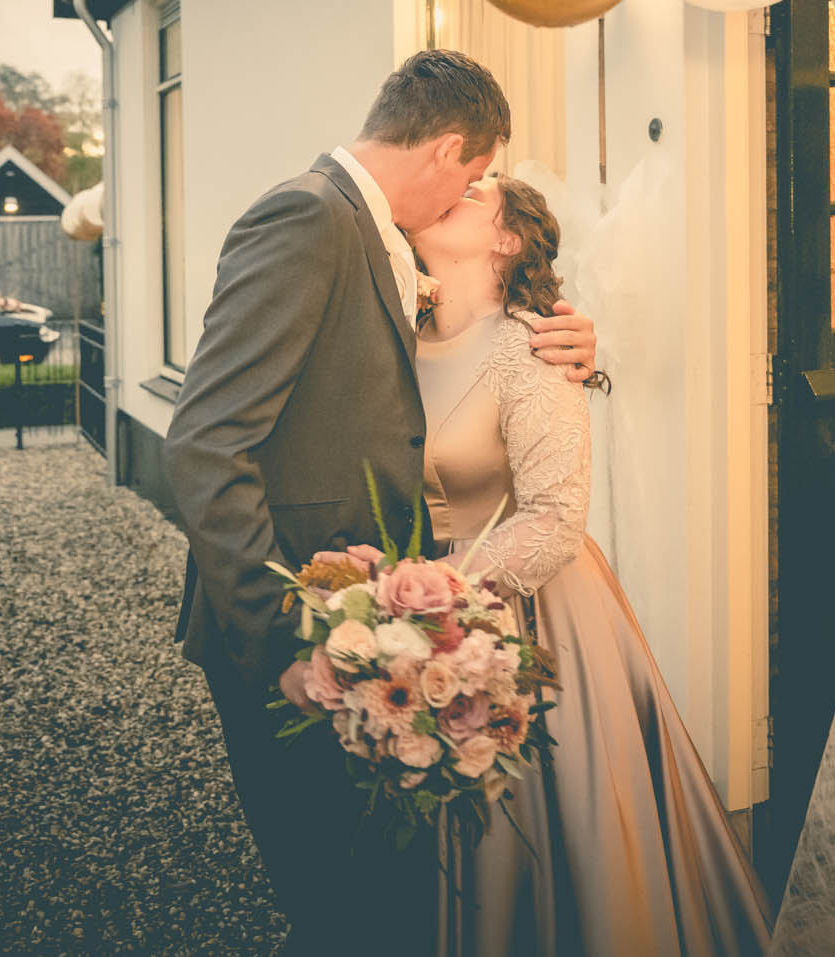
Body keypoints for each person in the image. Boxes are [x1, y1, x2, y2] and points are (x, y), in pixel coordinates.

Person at [162, 50, 597, 952]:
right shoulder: (309, 218)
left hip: (374, 635)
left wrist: (574, 338)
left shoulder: (378, 241)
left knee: (366, 893)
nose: (469, 196)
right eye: (474, 177)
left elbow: (408, 387)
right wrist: (283, 638)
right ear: (446, 149)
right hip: (298, 632)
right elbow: (207, 440)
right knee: (336, 897)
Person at [408, 175, 775, 956]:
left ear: (508, 241)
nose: (455, 191)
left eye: (477, 192)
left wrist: (445, 593)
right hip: (412, 615)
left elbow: (556, 521)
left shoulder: (532, 349)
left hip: (530, 610)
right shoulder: (398, 335)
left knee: (550, 830)